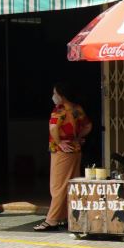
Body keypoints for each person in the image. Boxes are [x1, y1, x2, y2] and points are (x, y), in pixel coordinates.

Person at [34, 83, 91, 231]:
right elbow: (88, 126)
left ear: (61, 94)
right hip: (76, 150)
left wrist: (59, 142)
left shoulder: (60, 109)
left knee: (57, 186)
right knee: (71, 185)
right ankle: (67, 217)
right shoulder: (77, 108)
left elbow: (53, 127)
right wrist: (77, 138)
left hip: (62, 152)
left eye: (54, 93)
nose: (53, 96)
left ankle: (51, 220)